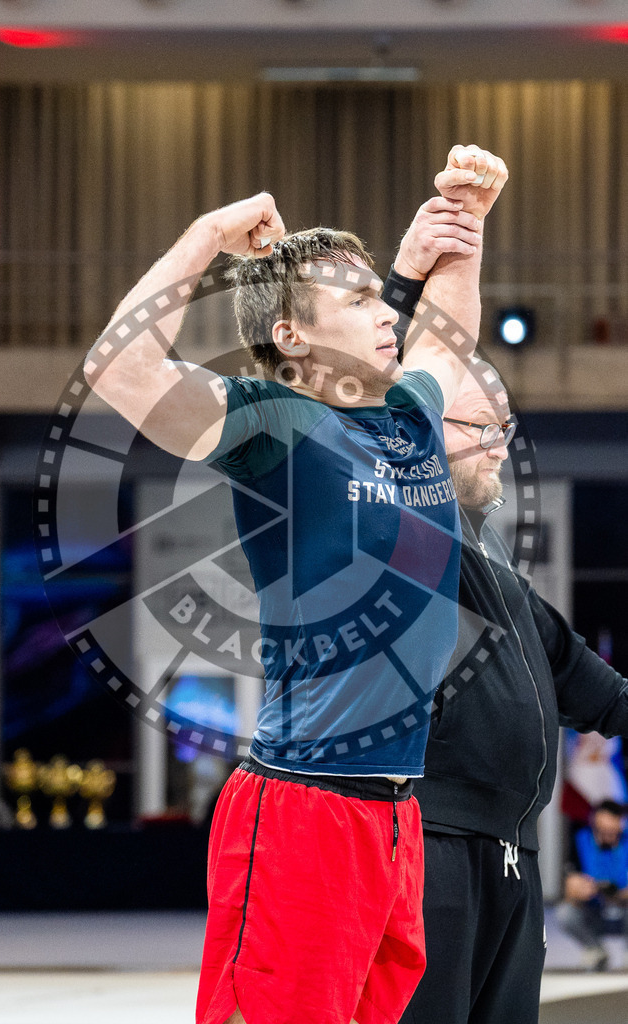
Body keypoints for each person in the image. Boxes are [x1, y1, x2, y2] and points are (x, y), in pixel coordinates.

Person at [84, 144, 507, 1024]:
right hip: (302, 811)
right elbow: (119, 373)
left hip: (395, 816)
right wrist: (206, 236)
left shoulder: (411, 416)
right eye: (355, 301)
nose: (384, 309)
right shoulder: (274, 424)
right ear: (291, 336)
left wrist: (464, 228)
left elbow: (446, 334)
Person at [367, 315, 628, 1020]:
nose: (496, 449)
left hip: (512, 861)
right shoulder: (405, 540)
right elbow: (396, 403)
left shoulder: (508, 589)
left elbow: (605, 698)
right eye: (477, 427)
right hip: (428, 853)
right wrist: (455, 246)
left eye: (504, 431)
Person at [557, 799, 628, 970]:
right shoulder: (580, 840)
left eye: (612, 830)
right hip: (593, 908)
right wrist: (577, 889)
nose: (607, 835)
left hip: (623, 909)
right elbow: (570, 885)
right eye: (603, 830)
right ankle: (596, 950)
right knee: (565, 913)